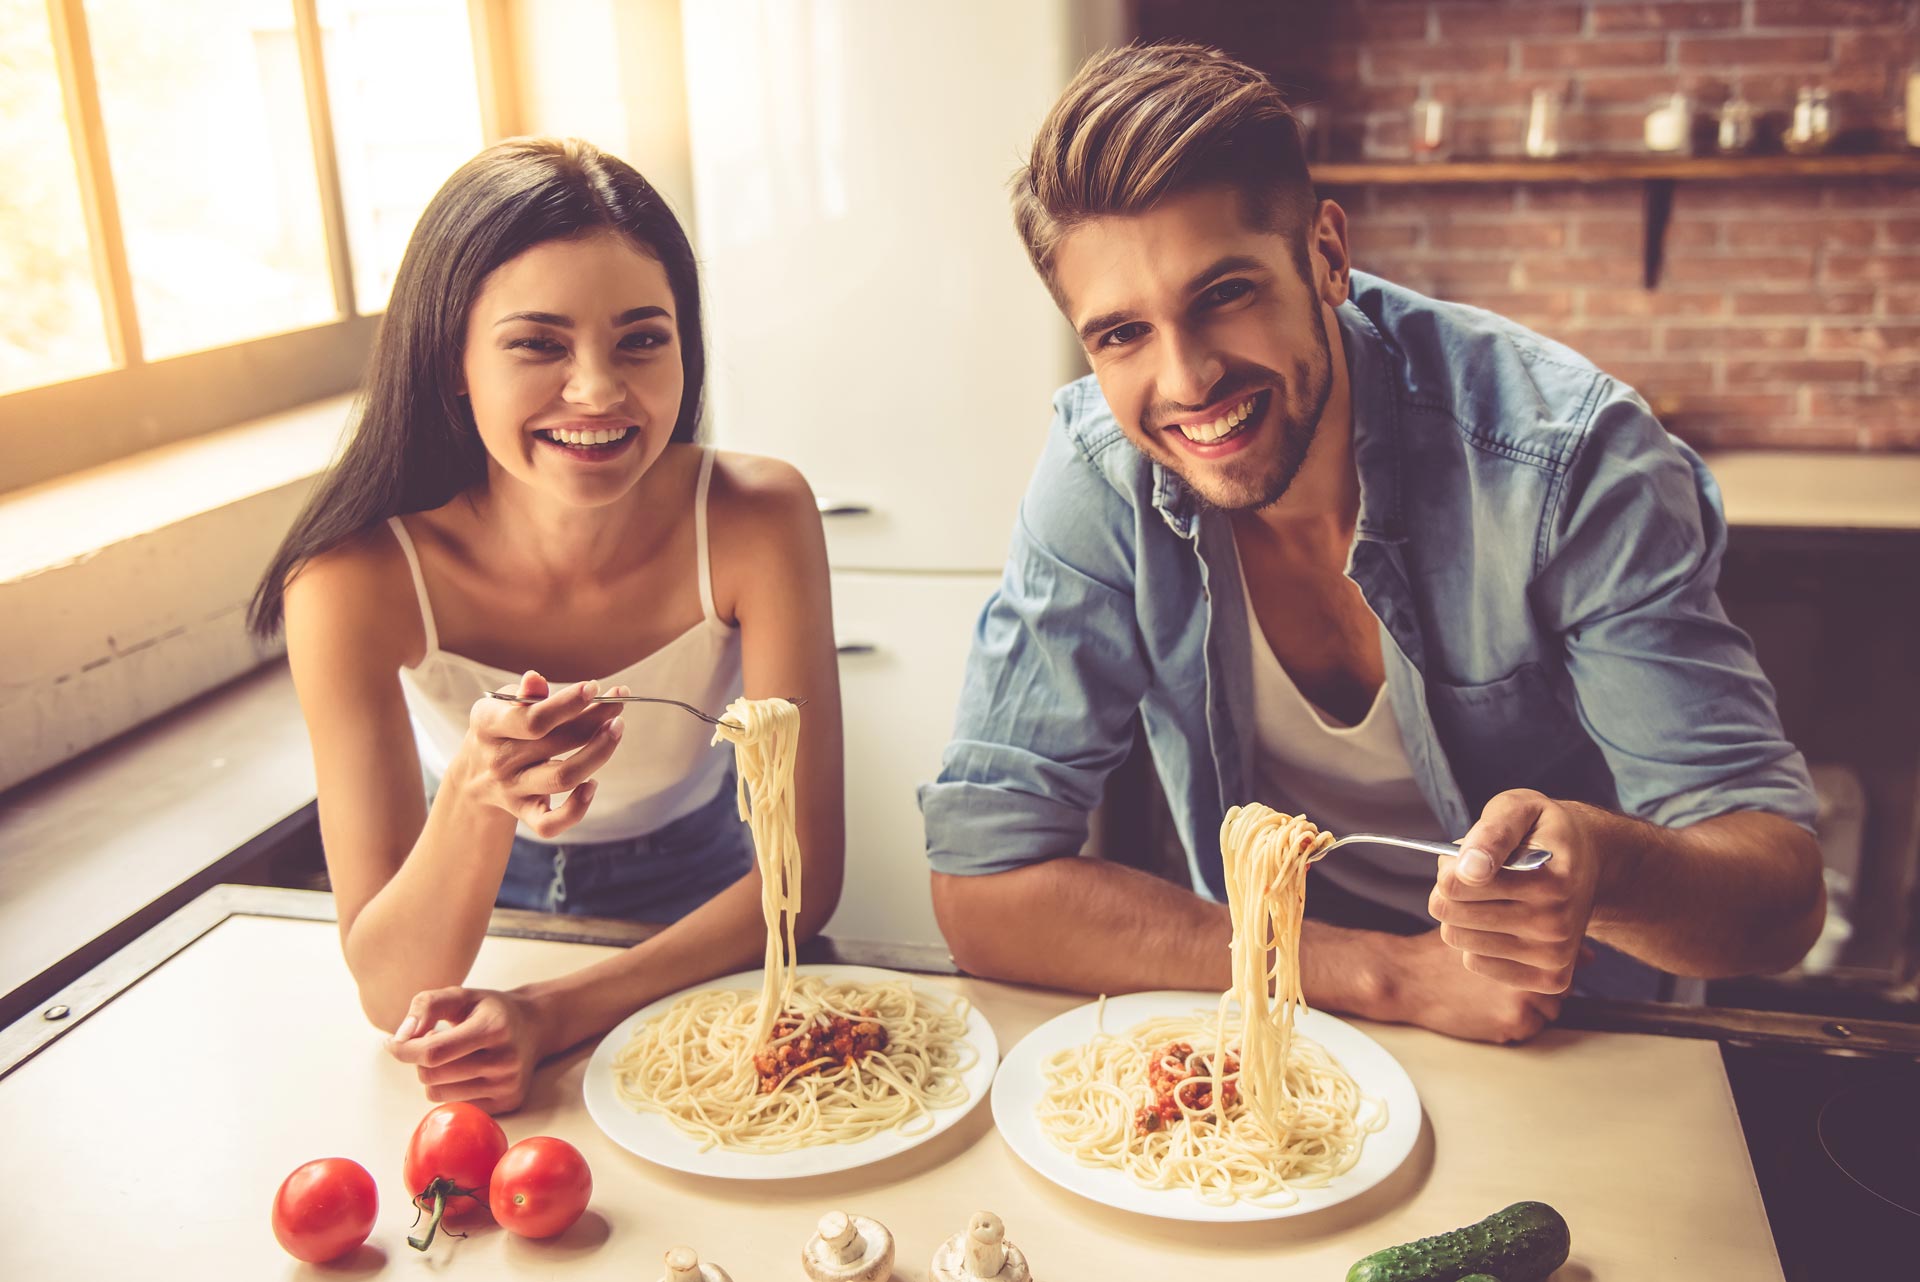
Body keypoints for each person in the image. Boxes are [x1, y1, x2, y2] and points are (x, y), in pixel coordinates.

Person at [920, 44, 1825, 1043]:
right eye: (1122, 334)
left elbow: (1779, 899)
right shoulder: (1101, 468)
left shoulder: (1569, 464)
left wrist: (1607, 867)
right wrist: (1382, 973)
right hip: (1288, 1009)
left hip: (1580, 1026)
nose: (1185, 382)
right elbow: (981, 882)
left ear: (1326, 255)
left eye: (1224, 292)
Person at [250, 138, 843, 1109]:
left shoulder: (758, 517)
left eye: (642, 338)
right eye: (539, 343)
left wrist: (551, 1013)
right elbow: (394, 990)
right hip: (475, 909)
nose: (601, 391)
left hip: (708, 908)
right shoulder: (350, 580)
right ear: (453, 361)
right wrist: (480, 799)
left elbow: (800, 882)